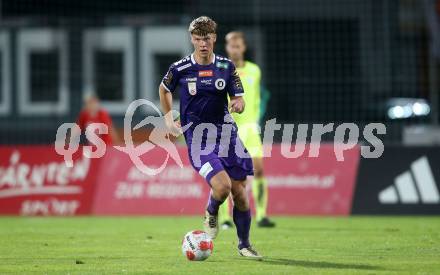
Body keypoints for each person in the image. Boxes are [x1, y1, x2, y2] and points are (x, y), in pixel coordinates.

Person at [158, 16, 262, 259]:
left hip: (227, 136)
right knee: (222, 186)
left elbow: (239, 98)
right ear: (192, 39)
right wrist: (167, 118)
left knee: (240, 193)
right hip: (198, 139)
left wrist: (238, 104)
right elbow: (164, 89)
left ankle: (244, 245)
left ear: (214, 38)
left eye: (206, 38)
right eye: (197, 39)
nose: (202, 43)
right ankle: (212, 210)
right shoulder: (180, 68)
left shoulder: (226, 67)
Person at [219, 31, 275, 228]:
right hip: (229, 128)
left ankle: (261, 215)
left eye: (238, 45)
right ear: (227, 48)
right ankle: (225, 218)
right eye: (231, 46)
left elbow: (258, 98)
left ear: (243, 47)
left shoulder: (254, 70)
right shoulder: (221, 69)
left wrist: (257, 118)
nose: (234, 49)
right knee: (226, 174)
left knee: (258, 170)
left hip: (250, 128)